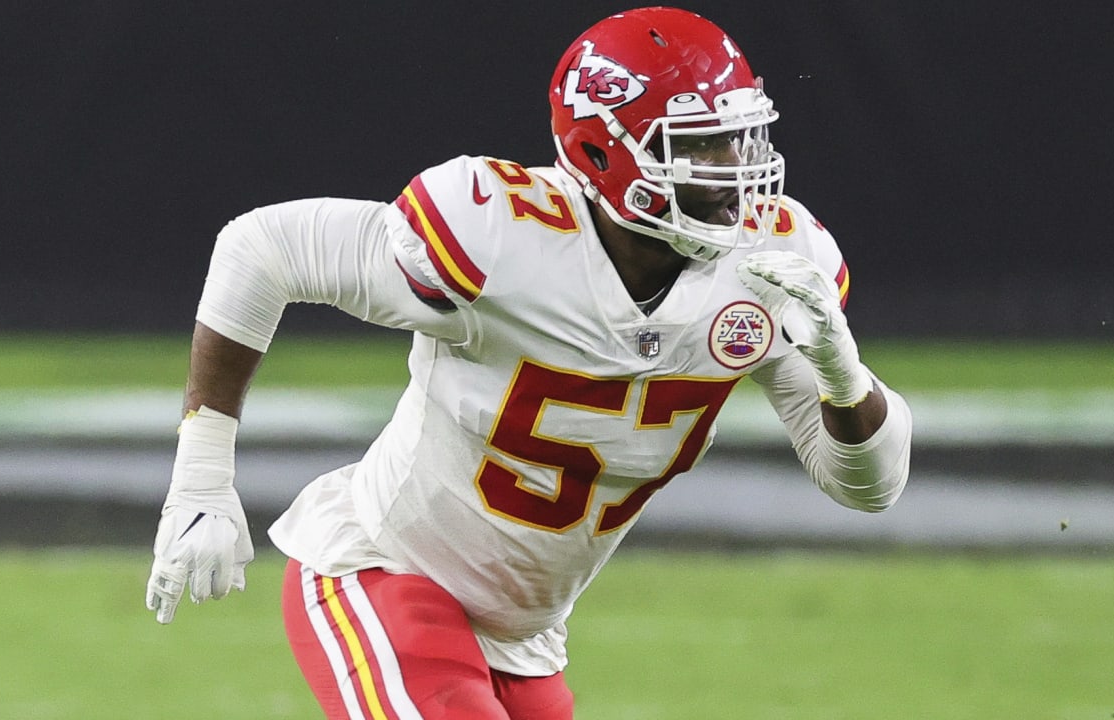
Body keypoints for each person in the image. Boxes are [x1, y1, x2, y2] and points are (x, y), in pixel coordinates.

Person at [145, 6, 912, 718]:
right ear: (602, 151)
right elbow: (262, 249)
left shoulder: (774, 262)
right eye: (699, 144)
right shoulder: (499, 234)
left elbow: (870, 488)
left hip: (524, 634)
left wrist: (843, 374)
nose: (733, 169)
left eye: (740, 137)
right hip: (385, 568)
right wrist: (202, 477)